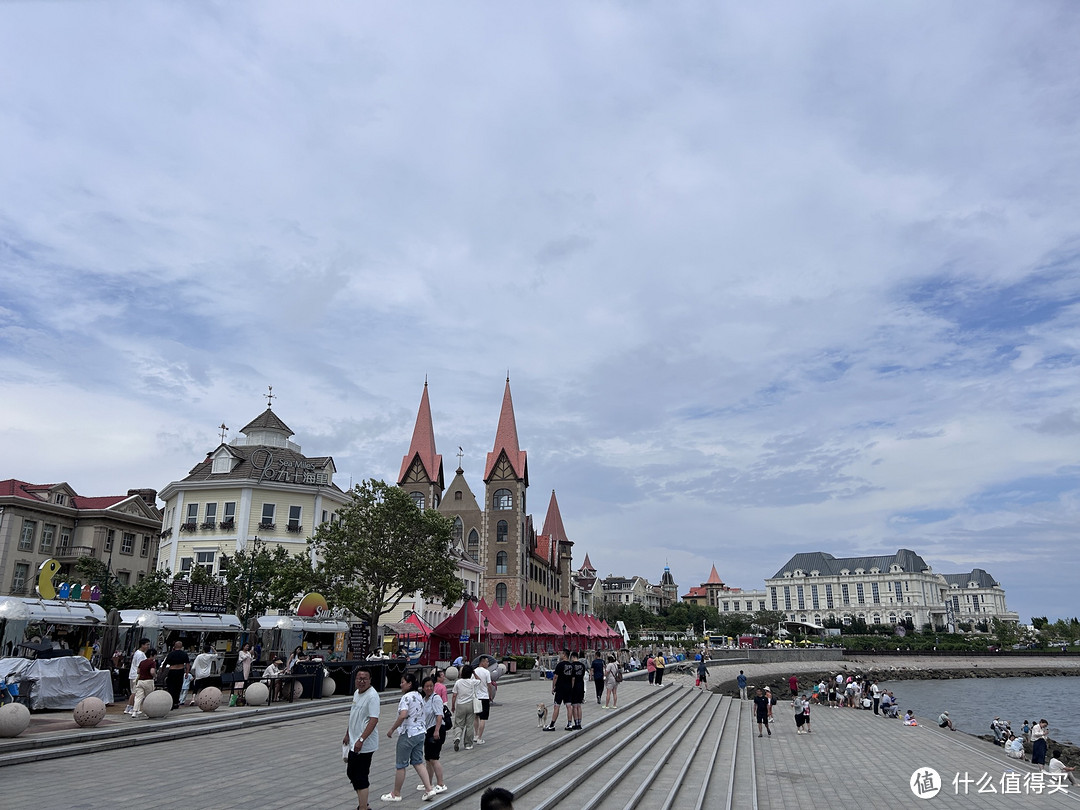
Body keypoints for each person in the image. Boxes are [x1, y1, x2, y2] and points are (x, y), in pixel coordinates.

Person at [383, 672, 436, 802]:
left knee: (401, 764)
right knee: (418, 761)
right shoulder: (419, 695)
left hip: (408, 733)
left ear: (410, 684)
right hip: (420, 732)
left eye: (403, 682)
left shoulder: (406, 697)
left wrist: (392, 729)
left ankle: (396, 793)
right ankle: (429, 789)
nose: (401, 685)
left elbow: (403, 715)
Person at [343, 668, 379, 810]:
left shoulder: (372, 696)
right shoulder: (357, 693)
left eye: (365, 678)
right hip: (354, 741)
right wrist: (347, 734)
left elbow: (373, 720)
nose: (361, 681)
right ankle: (364, 804)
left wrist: (361, 740)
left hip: (365, 744)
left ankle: (363, 807)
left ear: (370, 680)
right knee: (351, 773)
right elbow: (353, 715)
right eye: (359, 678)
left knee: (361, 775)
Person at [420, 676, 448, 795]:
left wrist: (436, 730)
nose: (429, 688)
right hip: (428, 730)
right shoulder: (424, 699)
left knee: (433, 758)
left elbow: (439, 715)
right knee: (428, 759)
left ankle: (441, 783)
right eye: (427, 686)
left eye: (431, 686)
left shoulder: (435, 699)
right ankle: (428, 782)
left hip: (436, 729)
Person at [451, 664, 479, 751]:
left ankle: (457, 737)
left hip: (460, 705)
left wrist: (453, 706)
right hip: (470, 704)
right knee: (469, 725)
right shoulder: (472, 682)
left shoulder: (458, 682)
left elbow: (454, 695)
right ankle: (468, 744)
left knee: (459, 723)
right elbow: (479, 680)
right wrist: (474, 673)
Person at [544, 650, 572, 731]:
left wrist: (553, 687)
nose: (560, 655)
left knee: (557, 706)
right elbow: (573, 678)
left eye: (561, 653)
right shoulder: (571, 665)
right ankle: (569, 724)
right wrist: (571, 687)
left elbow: (555, 676)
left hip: (560, 688)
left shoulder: (560, 665)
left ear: (564, 655)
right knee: (569, 706)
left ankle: (552, 724)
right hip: (568, 688)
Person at [124, 638, 151, 715]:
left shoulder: (139, 653)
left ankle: (130, 707)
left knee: (134, 692)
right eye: (147, 645)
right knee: (135, 692)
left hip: (134, 674)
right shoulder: (140, 654)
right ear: (142, 645)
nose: (148, 646)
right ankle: (132, 707)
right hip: (136, 675)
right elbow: (140, 666)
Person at [130, 648, 157, 720]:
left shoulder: (142, 662)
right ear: (153, 655)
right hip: (148, 681)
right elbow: (152, 671)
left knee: (138, 697)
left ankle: (134, 712)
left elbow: (138, 671)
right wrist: (155, 676)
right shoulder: (152, 662)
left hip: (140, 681)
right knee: (148, 697)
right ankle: (147, 712)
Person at [473, 655, 493, 744]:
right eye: (487, 662)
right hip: (484, 696)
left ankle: (476, 734)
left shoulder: (474, 672)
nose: (488, 663)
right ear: (483, 662)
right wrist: (490, 695)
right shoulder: (486, 672)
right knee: (483, 718)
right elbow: (489, 685)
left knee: (476, 716)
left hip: (476, 696)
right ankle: (479, 738)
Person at [569, 651, 587, 730]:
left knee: (574, 706)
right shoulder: (582, 665)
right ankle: (579, 723)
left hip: (575, 686)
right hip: (581, 685)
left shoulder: (572, 665)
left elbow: (572, 678)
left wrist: (571, 688)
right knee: (579, 706)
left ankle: (576, 723)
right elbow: (582, 675)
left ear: (573, 657)